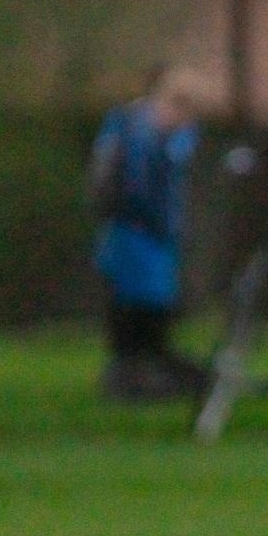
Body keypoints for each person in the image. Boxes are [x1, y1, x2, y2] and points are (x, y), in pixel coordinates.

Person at [89, 63, 208, 400]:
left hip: (154, 233)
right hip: (136, 231)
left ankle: (148, 368)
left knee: (156, 301)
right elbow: (129, 190)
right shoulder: (135, 133)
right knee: (137, 303)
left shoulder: (168, 137)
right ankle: (132, 373)